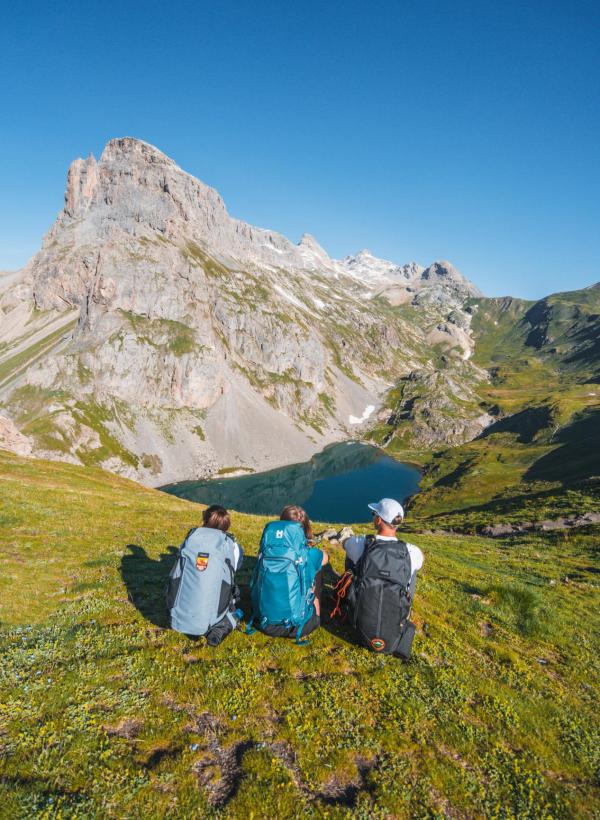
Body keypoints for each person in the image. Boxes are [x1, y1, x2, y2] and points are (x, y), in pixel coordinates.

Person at [333, 498, 423, 657]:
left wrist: (347, 537)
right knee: (412, 570)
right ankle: (404, 612)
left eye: (374, 514)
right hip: (393, 636)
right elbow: (421, 560)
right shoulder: (411, 552)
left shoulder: (361, 544)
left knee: (352, 559)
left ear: (379, 520)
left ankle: (351, 601)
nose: (373, 516)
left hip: (360, 631)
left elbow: (346, 543)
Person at [247, 505, 329, 642]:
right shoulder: (310, 554)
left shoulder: (266, 550)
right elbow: (326, 558)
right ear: (305, 528)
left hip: (263, 620)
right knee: (317, 569)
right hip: (298, 625)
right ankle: (317, 615)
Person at [167, 504, 244, 645]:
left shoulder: (191, 538)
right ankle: (217, 629)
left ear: (205, 519)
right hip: (214, 614)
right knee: (235, 602)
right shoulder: (231, 545)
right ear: (226, 524)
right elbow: (236, 567)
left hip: (178, 613)